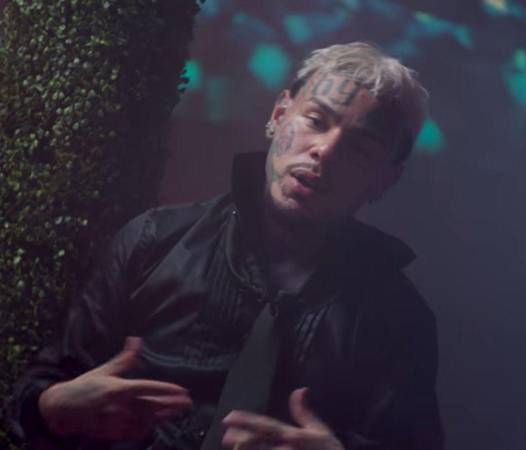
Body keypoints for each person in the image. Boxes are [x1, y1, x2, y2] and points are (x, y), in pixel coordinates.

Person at [9, 42, 443, 450]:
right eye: (315, 120)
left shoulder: (397, 319)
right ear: (279, 114)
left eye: (360, 149)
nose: (325, 152)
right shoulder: (155, 241)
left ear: (386, 179)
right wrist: (51, 409)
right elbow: (38, 391)